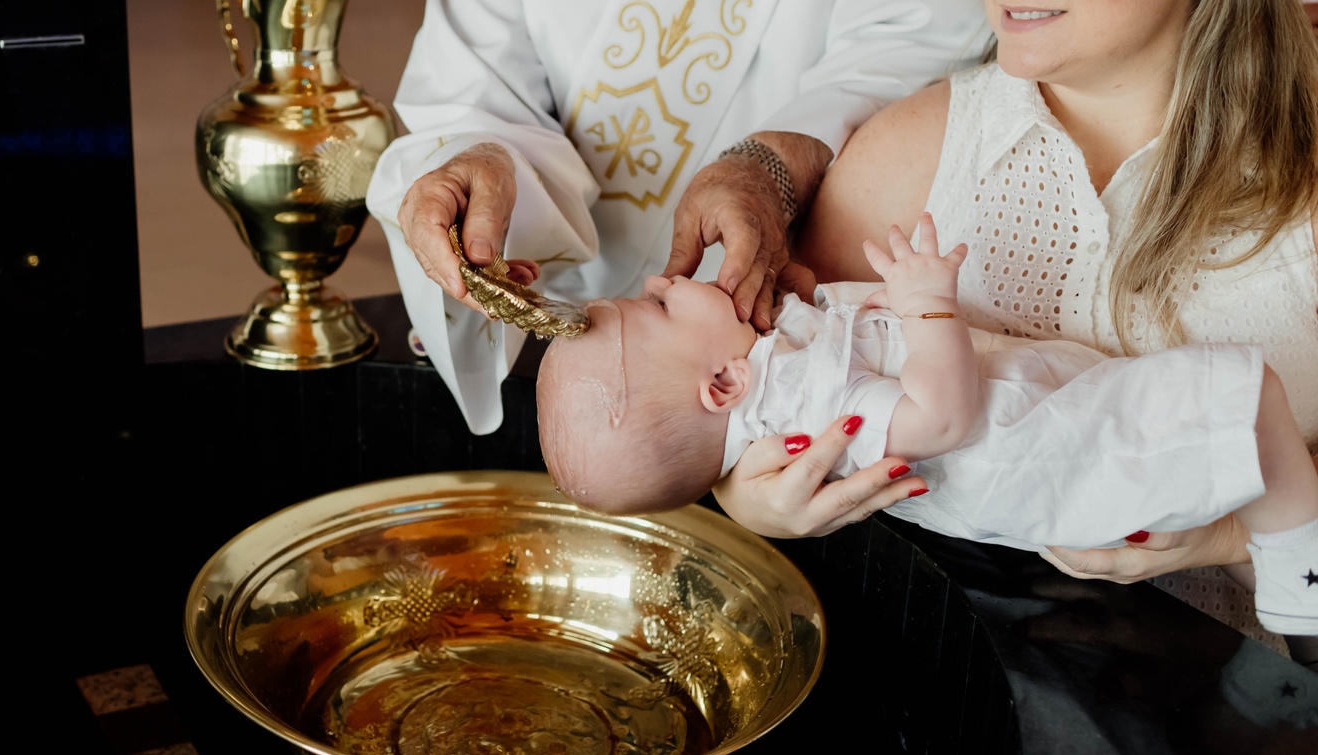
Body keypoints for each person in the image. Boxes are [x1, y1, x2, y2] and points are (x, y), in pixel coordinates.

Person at [711, 0, 1318, 657]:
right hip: (925, 670)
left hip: (1228, 703)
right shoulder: (908, 151)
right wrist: (744, 494)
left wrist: (1231, 538)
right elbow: (760, 388)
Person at [535, 213, 1318, 635]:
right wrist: (928, 306)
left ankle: (1291, 570)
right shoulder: (802, 396)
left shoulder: (780, 378)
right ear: (722, 384)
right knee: (1249, 397)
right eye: (657, 306)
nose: (660, 278)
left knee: (1244, 417)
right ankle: (1300, 571)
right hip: (1053, 447)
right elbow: (941, 417)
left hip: (1053, 437)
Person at [367, 0, 988, 435]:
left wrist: (770, 164)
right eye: (660, 298)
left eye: (658, 298)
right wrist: (478, 160)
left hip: (790, 303)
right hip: (555, 346)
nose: (658, 282)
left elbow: (911, 36)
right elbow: (471, 83)